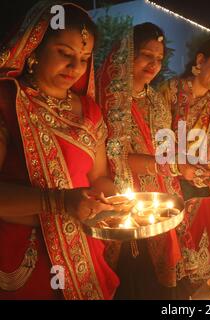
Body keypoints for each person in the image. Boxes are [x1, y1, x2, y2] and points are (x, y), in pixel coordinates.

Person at [0, 2, 119, 299]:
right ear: (35, 49)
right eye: (64, 54)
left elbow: (100, 176)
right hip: (26, 258)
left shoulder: (90, 111)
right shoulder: (7, 102)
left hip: (85, 252)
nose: (75, 67)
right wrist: (61, 202)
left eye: (84, 58)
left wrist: (115, 202)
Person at [97, 22, 209, 299]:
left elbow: (165, 147)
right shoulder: (108, 98)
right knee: (132, 278)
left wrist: (186, 166)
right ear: (127, 55)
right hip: (122, 198)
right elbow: (115, 156)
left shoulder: (156, 99)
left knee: (163, 274)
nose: (154, 64)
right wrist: (171, 166)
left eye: (159, 59)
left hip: (158, 197)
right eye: (146, 55)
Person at [158, 37, 210, 283]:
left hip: (202, 188)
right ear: (200, 60)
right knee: (169, 249)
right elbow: (156, 137)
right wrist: (180, 165)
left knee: (200, 246)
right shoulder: (169, 91)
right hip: (168, 183)